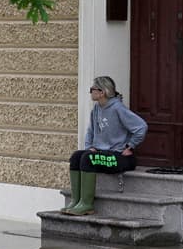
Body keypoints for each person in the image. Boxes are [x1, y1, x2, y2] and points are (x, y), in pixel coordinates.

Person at [62, 76, 148, 215]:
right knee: (76, 157)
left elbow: (141, 127)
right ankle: (76, 200)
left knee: (88, 159)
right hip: (103, 153)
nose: (90, 92)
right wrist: (90, 146)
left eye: (92, 89)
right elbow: (90, 131)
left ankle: (87, 204)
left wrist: (131, 146)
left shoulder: (118, 108)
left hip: (120, 157)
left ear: (102, 92)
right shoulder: (96, 109)